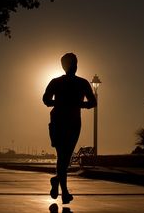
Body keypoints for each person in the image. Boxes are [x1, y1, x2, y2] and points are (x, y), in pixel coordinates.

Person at [42, 53, 96, 204]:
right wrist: (75, 104)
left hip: (66, 121)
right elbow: (92, 103)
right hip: (68, 121)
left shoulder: (57, 82)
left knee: (64, 157)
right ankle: (64, 192)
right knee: (63, 156)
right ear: (75, 65)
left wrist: (62, 103)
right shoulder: (81, 83)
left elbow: (46, 100)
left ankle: (57, 181)